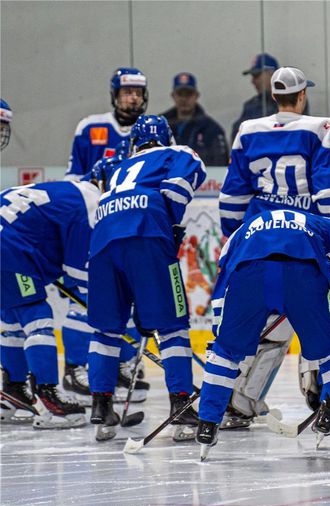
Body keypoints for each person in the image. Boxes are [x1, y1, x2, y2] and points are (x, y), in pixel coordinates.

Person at [219, 66, 330, 427]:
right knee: (324, 320)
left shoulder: (248, 131)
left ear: (274, 96)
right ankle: (323, 395)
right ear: (302, 96)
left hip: (259, 239)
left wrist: (238, 239)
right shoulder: (326, 129)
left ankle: (239, 401)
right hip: (304, 241)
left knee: (263, 326)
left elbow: (232, 198)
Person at [196, 208, 330, 459]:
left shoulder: (243, 230)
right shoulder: (316, 222)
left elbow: (224, 279)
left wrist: (222, 335)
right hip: (303, 274)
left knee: (224, 353)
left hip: (250, 274)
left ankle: (207, 425)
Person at [86, 115, 206, 442]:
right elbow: (175, 191)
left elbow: (88, 189)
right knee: (172, 326)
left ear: (134, 143)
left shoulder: (116, 166)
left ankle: (101, 406)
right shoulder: (178, 153)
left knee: (106, 330)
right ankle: (181, 405)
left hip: (102, 237)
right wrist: (169, 229)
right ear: (166, 138)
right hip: (146, 231)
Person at [62, 68, 149, 401]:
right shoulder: (90, 127)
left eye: (138, 92)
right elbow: (73, 178)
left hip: (133, 225)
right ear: (115, 94)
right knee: (85, 296)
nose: (133, 98)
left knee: (129, 294)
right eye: (127, 92)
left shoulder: (152, 131)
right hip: (92, 223)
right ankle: (74, 368)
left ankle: (123, 367)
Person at [0, 178, 100, 428]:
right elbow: (79, 268)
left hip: (10, 249)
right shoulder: (91, 201)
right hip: (10, 253)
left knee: (11, 317)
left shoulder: (61, 190)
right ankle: (49, 400)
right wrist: (102, 301)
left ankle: (13, 392)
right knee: (38, 316)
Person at [231, 54, 309, 141]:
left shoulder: (293, 99)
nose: (253, 81)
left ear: (271, 74)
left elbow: (291, 133)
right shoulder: (251, 105)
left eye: (257, 76)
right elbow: (238, 134)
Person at [161, 72, 229, 166]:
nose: (184, 99)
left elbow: (220, 165)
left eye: (188, 94)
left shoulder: (212, 129)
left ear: (196, 96)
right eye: (180, 94)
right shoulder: (161, 126)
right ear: (173, 96)